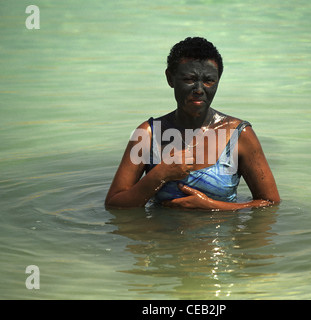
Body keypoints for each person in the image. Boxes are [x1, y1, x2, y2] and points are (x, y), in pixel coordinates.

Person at [105, 37, 280, 211]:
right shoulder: (148, 134)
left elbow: (270, 204)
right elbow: (114, 204)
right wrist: (159, 175)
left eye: (209, 81)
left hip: (220, 236)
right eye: (189, 79)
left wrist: (213, 206)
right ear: (170, 79)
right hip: (163, 238)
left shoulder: (238, 134)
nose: (199, 89)